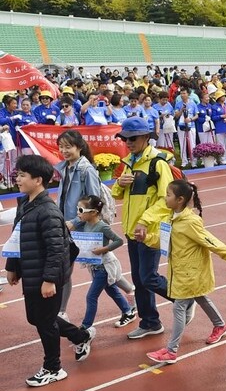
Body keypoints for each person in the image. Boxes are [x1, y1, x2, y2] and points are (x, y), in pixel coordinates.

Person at [4, 155, 96, 387]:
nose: (18, 178)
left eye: (22, 175)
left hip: (46, 276)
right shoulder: (25, 204)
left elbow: (57, 250)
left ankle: (53, 368)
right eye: (18, 174)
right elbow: (17, 239)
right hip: (32, 272)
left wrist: (49, 280)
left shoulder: (48, 211)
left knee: (44, 322)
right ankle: (81, 336)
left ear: (38, 180)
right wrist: (13, 267)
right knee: (36, 317)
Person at [142, 180, 226, 364]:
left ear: (180, 200)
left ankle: (171, 350)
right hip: (179, 270)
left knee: (178, 307)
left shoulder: (190, 222)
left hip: (191, 273)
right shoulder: (170, 217)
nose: (165, 197)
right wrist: (147, 237)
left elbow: (208, 240)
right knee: (200, 297)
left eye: (169, 194)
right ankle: (220, 325)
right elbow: (164, 241)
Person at [111, 117, 175, 339]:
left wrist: (145, 221)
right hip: (132, 230)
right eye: (124, 138)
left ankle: (183, 297)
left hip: (150, 231)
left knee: (148, 277)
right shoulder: (128, 161)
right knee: (139, 280)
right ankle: (150, 322)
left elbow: (167, 199)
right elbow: (118, 195)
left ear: (146, 138)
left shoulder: (157, 163)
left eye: (133, 138)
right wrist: (119, 185)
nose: (128, 142)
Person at [54, 130, 103, 320]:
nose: (64, 150)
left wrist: (75, 221)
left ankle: (127, 297)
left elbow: (95, 201)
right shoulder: (66, 167)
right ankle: (61, 311)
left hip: (83, 228)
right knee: (65, 269)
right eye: (61, 146)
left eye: (68, 146)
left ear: (79, 147)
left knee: (103, 270)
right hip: (66, 227)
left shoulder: (86, 170)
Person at [74, 195, 136, 329]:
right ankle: (128, 311)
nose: (78, 213)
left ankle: (85, 327)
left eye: (80, 210)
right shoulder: (85, 224)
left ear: (94, 212)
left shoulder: (102, 227)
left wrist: (104, 248)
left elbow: (119, 240)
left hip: (104, 267)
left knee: (91, 297)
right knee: (111, 290)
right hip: (95, 266)